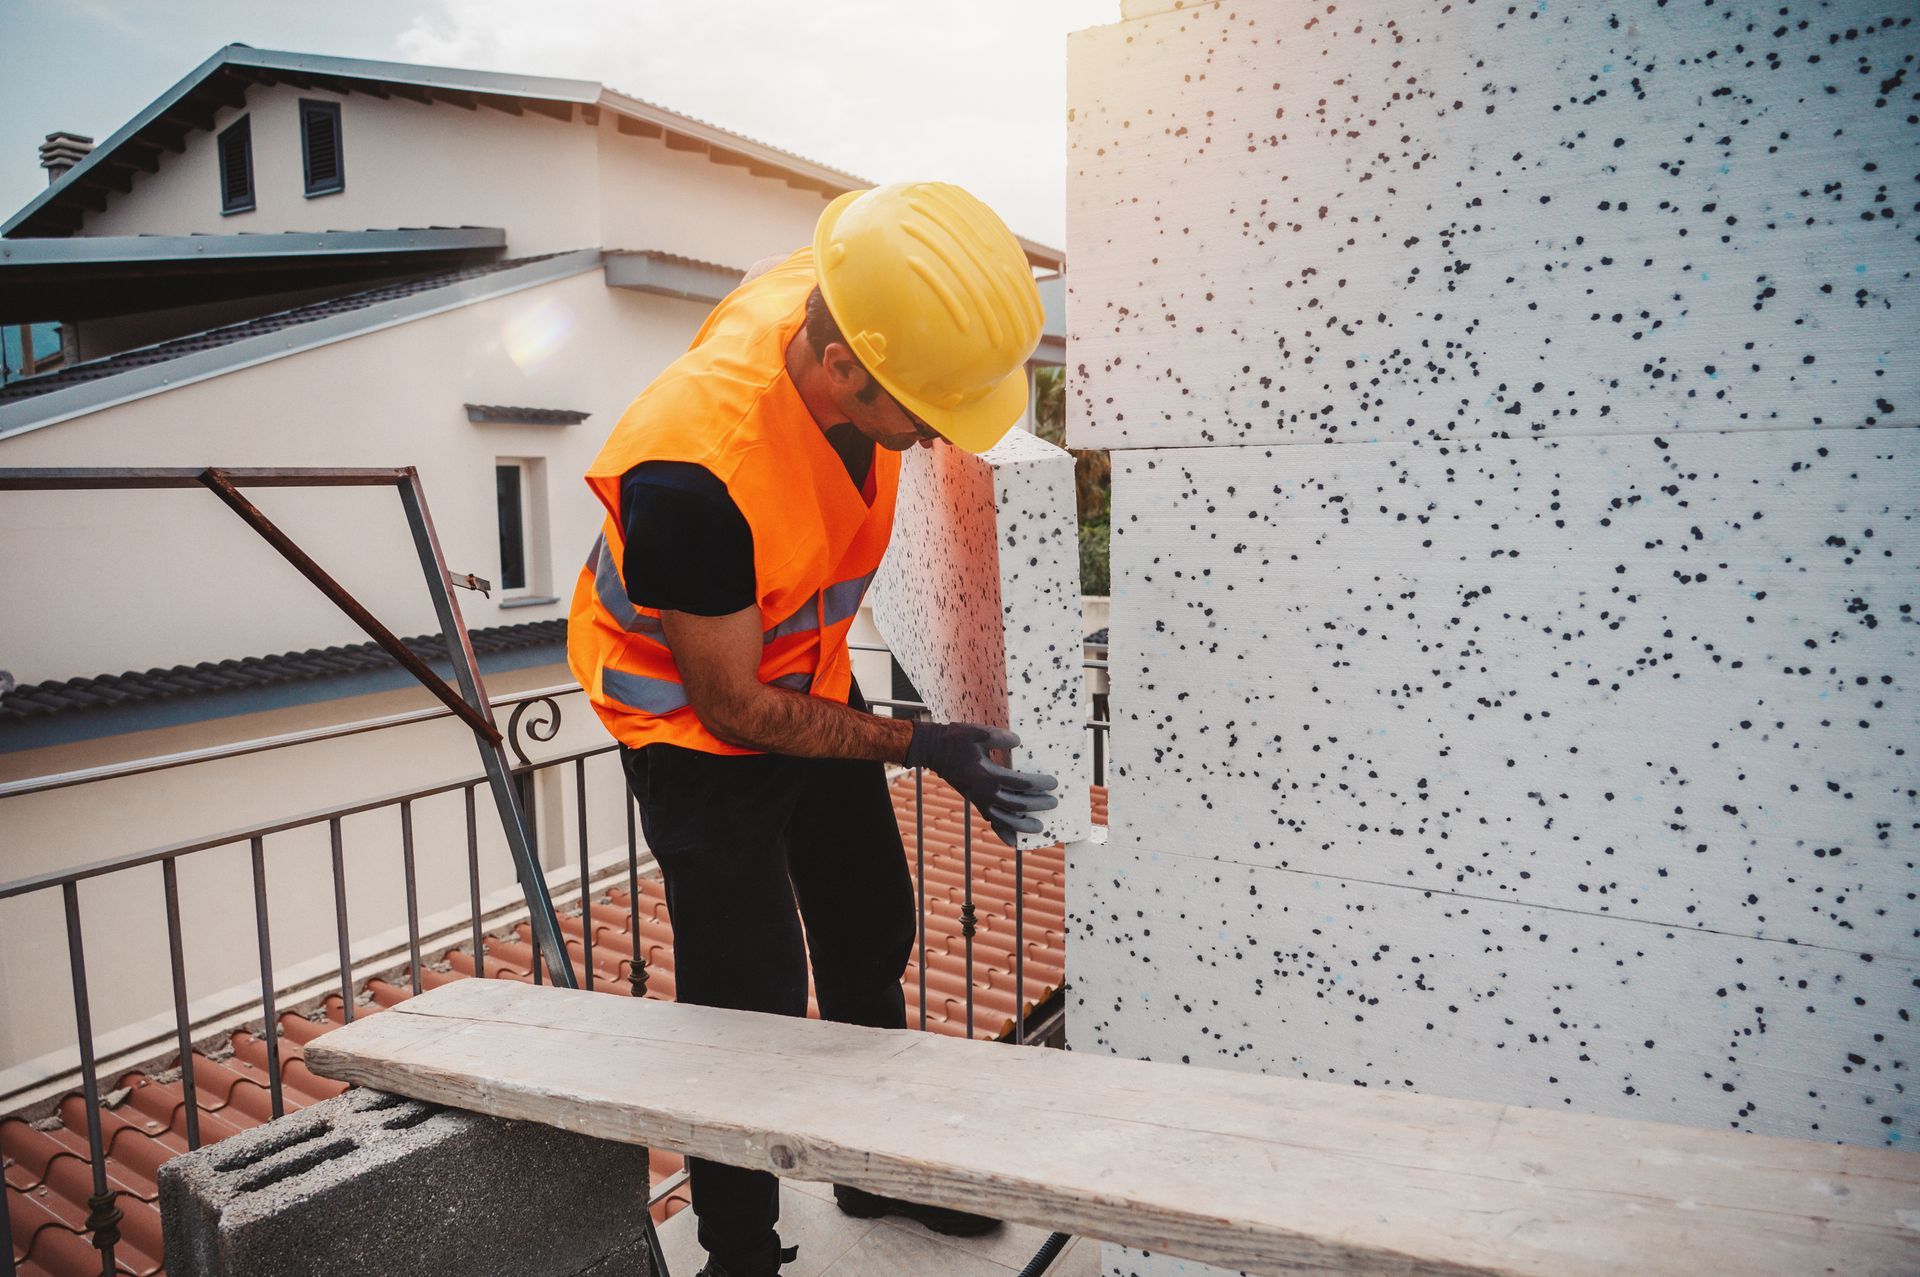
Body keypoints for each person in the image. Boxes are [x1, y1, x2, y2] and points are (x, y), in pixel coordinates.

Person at [566, 181, 1061, 1277]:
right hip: (696, 735)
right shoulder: (692, 476)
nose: (937, 432)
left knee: (869, 927)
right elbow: (735, 706)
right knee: (745, 1004)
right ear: (842, 368)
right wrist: (921, 745)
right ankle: (740, 1249)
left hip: (809, 680)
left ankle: (870, 1168)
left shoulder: (839, 293)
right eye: (925, 410)